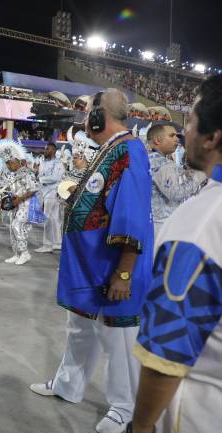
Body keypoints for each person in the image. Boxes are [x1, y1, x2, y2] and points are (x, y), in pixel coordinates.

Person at [30, 89, 154, 433]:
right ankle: (68, 386)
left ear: (101, 116)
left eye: (88, 114)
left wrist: (124, 273)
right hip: (90, 265)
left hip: (113, 268)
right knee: (80, 330)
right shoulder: (110, 150)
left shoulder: (130, 151)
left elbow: (131, 216)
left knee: (119, 339)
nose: (84, 120)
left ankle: (125, 407)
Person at [129, 75, 222, 433]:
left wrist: (140, 427)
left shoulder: (201, 226)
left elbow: (166, 352)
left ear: (213, 138)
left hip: (204, 409)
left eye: (192, 124)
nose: (185, 135)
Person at [146, 124, 205, 237]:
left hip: (154, 223)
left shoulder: (150, 159)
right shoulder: (161, 163)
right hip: (162, 225)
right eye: (172, 135)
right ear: (158, 140)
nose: (177, 139)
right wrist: (202, 171)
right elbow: (176, 192)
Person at [0, 139, 39, 266]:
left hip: (26, 204)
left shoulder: (27, 172)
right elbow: (9, 188)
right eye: (6, 163)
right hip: (15, 205)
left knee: (17, 226)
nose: (7, 166)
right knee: (12, 229)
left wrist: (19, 199)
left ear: (16, 161)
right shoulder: (13, 174)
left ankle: (25, 253)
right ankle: (16, 253)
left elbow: (34, 189)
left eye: (9, 163)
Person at [35, 142, 65, 252]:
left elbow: (56, 177)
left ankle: (47, 244)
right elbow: (39, 176)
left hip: (53, 192)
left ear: (53, 150)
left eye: (47, 149)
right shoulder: (43, 162)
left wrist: (42, 179)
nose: (45, 151)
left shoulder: (58, 163)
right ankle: (57, 243)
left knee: (48, 217)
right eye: (45, 149)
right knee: (53, 218)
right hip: (44, 192)